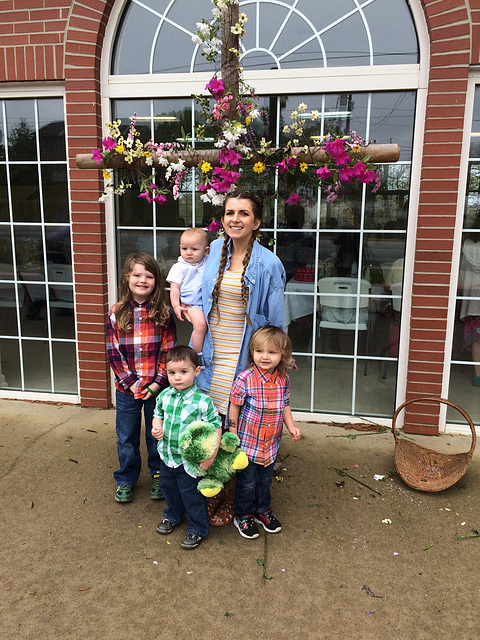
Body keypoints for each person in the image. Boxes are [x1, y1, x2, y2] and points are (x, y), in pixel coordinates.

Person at [196, 190, 286, 526]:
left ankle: (236, 495)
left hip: (244, 354)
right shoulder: (215, 250)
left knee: (240, 426)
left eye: (244, 213)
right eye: (230, 212)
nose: (235, 219)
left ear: (256, 221)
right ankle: (214, 489)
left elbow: (276, 322)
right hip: (214, 353)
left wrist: (275, 360)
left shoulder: (269, 263)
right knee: (215, 422)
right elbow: (201, 294)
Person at [106, 253, 177, 503]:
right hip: (127, 390)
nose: (142, 280)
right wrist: (133, 384)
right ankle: (126, 478)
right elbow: (113, 354)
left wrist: (157, 383)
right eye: (137, 275)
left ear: (156, 281)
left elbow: (168, 351)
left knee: (155, 433)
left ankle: (159, 474)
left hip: (156, 388)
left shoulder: (163, 313)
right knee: (126, 436)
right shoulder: (116, 313)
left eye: (148, 276)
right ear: (127, 278)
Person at [228, 326, 301, 539]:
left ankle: (262, 510)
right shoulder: (245, 379)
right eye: (259, 351)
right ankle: (243, 514)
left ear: (283, 355)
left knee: (264, 480)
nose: (265, 356)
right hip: (248, 443)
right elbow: (234, 405)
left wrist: (291, 426)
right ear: (252, 352)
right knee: (248, 481)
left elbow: (285, 404)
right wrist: (233, 433)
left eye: (272, 352)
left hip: (270, 443)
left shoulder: (283, 380)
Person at [151, 346, 221, 550]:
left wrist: (210, 456)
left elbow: (215, 428)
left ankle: (198, 528)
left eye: (184, 372)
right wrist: (157, 427)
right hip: (167, 456)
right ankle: (173, 515)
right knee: (168, 488)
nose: (177, 378)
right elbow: (158, 415)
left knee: (191, 494)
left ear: (196, 371)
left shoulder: (203, 401)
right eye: (172, 373)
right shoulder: (165, 396)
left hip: (189, 461)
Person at [166, 228, 209, 364]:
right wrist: (176, 306)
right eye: (184, 248)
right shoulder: (179, 267)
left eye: (194, 249)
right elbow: (174, 288)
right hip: (192, 304)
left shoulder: (207, 261)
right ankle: (197, 356)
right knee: (201, 326)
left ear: (206, 250)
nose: (188, 253)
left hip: (208, 302)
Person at [459, 223, 480, 385]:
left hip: (472, 300)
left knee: (476, 340)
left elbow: (460, 275)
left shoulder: (466, 248)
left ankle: (476, 374)